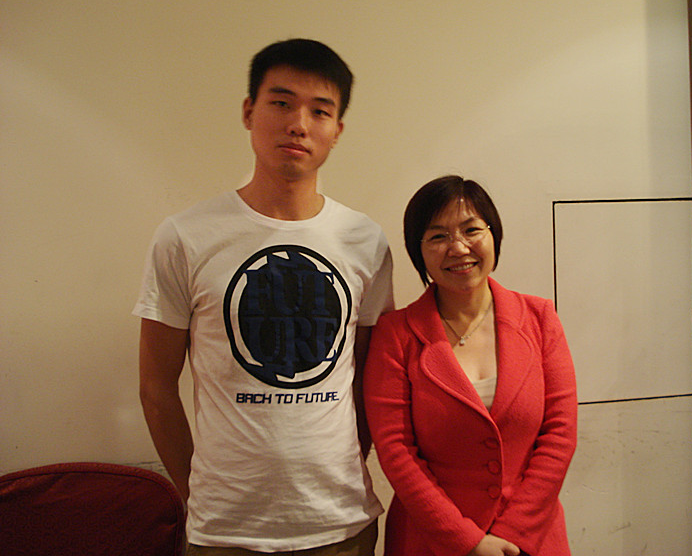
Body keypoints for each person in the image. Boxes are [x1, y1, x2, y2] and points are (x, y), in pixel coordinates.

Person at [134, 38, 393, 555]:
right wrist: (196, 495)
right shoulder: (185, 237)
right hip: (223, 533)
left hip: (342, 527)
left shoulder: (366, 241)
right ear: (249, 111)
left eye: (320, 111)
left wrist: (346, 466)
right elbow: (156, 387)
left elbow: (368, 380)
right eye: (281, 102)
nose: (298, 124)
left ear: (337, 130)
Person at [363, 175, 577, 556]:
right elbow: (396, 451)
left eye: (471, 230)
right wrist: (467, 541)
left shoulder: (539, 318)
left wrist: (512, 533)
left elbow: (560, 434)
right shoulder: (396, 334)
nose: (459, 247)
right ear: (418, 251)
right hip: (431, 541)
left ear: (494, 234)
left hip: (530, 539)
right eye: (438, 236)